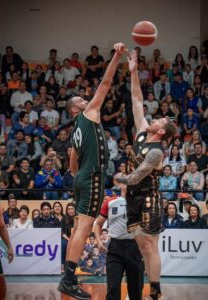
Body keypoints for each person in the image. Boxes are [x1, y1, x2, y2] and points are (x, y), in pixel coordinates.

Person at [58, 42, 127, 300]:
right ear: (76, 108)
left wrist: (79, 175)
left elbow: (72, 163)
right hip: (92, 179)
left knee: (78, 229)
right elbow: (106, 83)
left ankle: (67, 278)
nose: (87, 100)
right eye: (82, 100)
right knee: (84, 228)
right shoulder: (88, 114)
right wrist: (117, 56)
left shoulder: (76, 129)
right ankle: (68, 280)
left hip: (82, 179)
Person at [116, 50, 176, 300]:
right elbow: (136, 99)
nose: (156, 118)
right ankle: (146, 289)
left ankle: (156, 292)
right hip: (132, 198)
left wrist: (118, 178)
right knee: (140, 245)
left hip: (149, 198)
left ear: (161, 132)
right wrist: (132, 69)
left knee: (150, 246)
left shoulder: (157, 152)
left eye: (160, 120)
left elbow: (136, 176)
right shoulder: (141, 131)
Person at [94, 182, 144, 300]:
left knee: (136, 289)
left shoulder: (140, 203)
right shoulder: (110, 202)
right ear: (121, 185)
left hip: (134, 247)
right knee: (113, 288)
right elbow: (98, 224)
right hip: (115, 247)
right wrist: (99, 241)